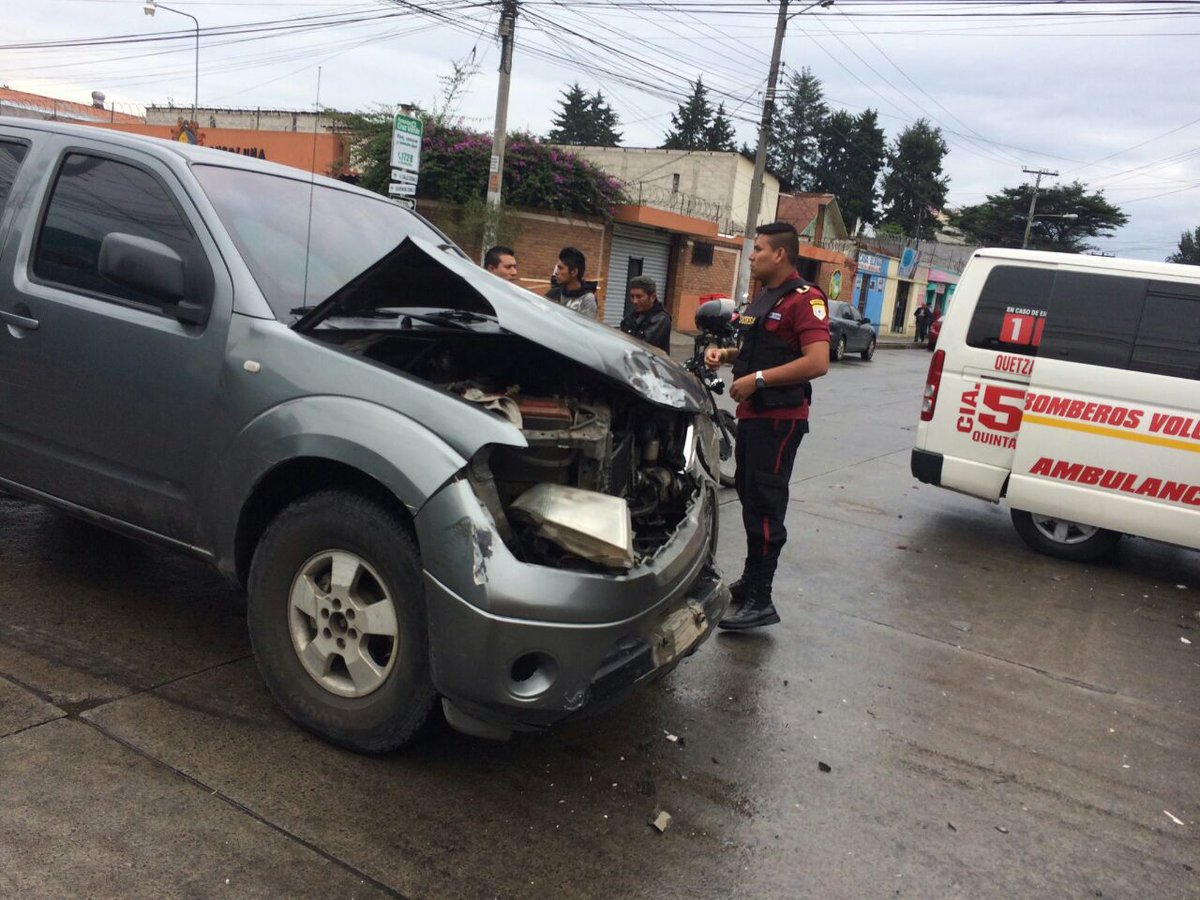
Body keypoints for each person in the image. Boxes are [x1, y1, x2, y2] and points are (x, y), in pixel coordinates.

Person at [704, 222, 830, 631]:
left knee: (766, 503)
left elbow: (817, 361)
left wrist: (757, 380)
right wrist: (725, 354)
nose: (752, 255)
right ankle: (751, 580)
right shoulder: (764, 298)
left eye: (758, 249)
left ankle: (762, 598)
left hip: (780, 419)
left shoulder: (805, 299)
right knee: (750, 496)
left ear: (780, 254)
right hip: (754, 416)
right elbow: (762, 348)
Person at [619, 275, 672, 353]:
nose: (634, 301)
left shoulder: (661, 319)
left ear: (652, 297)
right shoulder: (633, 316)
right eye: (632, 296)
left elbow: (643, 346)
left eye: (639, 297)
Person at [545, 246, 598, 319]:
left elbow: (586, 328)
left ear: (574, 272)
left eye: (560, 268)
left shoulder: (587, 300)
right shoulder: (553, 294)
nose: (556, 272)